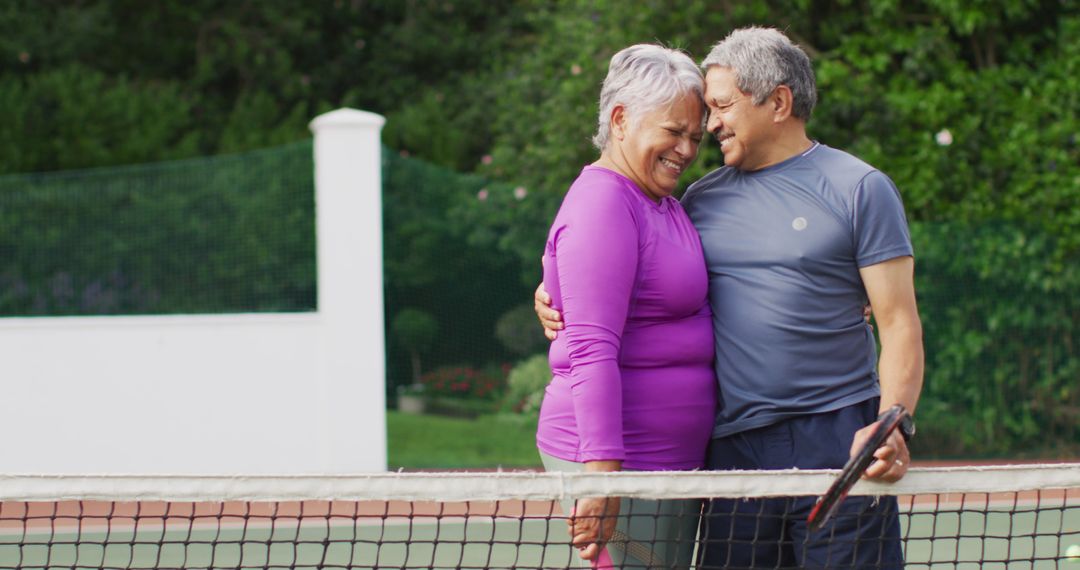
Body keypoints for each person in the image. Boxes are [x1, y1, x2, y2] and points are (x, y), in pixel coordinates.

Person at [536, 27, 924, 569]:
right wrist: (552, 290)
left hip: (838, 438)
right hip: (731, 453)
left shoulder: (861, 188)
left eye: (720, 107)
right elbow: (616, 266)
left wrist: (893, 422)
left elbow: (900, 322)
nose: (709, 127)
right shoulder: (697, 199)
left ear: (779, 103)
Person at [536, 43, 716, 569]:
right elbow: (592, 351)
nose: (685, 149)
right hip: (624, 463)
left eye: (695, 137)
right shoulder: (604, 205)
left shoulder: (659, 201)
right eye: (673, 131)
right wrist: (603, 480)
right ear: (620, 120)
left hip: (666, 464)